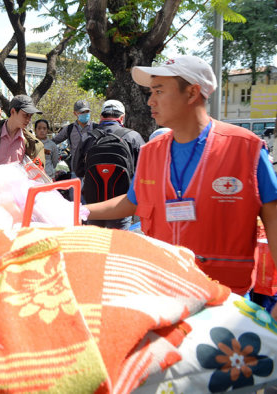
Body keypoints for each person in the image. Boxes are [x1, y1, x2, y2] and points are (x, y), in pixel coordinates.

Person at [85, 55, 277, 307]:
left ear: (192, 93)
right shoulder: (151, 152)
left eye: (159, 91)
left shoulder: (246, 149)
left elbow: (273, 218)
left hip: (226, 301)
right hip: (164, 294)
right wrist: (78, 210)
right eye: (151, 91)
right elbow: (131, 201)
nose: (150, 100)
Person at [74, 100, 145, 230]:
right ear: (122, 118)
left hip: (93, 205)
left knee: (96, 245)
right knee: (117, 246)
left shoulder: (87, 137)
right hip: (121, 205)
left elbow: (77, 170)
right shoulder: (133, 137)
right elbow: (144, 172)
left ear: (101, 117)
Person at [0, 94, 45, 168]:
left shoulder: (33, 144)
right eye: (25, 115)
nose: (28, 120)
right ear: (13, 111)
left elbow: (38, 172)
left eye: (30, 116)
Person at [52, 99, 97, 177]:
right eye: (82, 112)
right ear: (75, 113)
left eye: (87, 111)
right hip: (76, 170)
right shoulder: (69, 129)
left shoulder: (96, 128)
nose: (85, 114)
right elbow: (54, 141)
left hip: (93, 170)